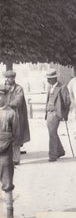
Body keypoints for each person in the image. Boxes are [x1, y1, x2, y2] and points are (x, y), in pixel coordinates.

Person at [3, 70, 30, 165]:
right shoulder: (3, 88)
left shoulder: (18, 89)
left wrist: (7, 104)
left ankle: (15, 159)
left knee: (16, 136)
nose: (7, 79)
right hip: (4, 115)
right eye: (6, 77)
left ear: (13, 78)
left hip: (16, 115)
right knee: (5, 135)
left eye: (10, 78)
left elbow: (18, 101)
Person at [45, 69, 71, 162]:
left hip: (56, 113)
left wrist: (64, 114)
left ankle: (53, 156)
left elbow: (67, 102)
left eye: (50, 79)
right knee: (52, 133)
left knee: (52, 133)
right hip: (49, 113)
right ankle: (60, 151)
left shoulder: (62, 87)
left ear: (55, 78)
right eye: (48, 79)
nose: (48, 80)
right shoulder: (50, 87)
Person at [0, 85, 18, 218]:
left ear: (5, 96)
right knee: (7, 184)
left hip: (6, 154)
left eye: (1, 95)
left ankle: (9, 213)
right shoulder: (12, 113)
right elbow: (15, 135)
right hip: (6, 151)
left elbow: (16, 135)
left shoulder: (11, 113)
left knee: (7, 184)